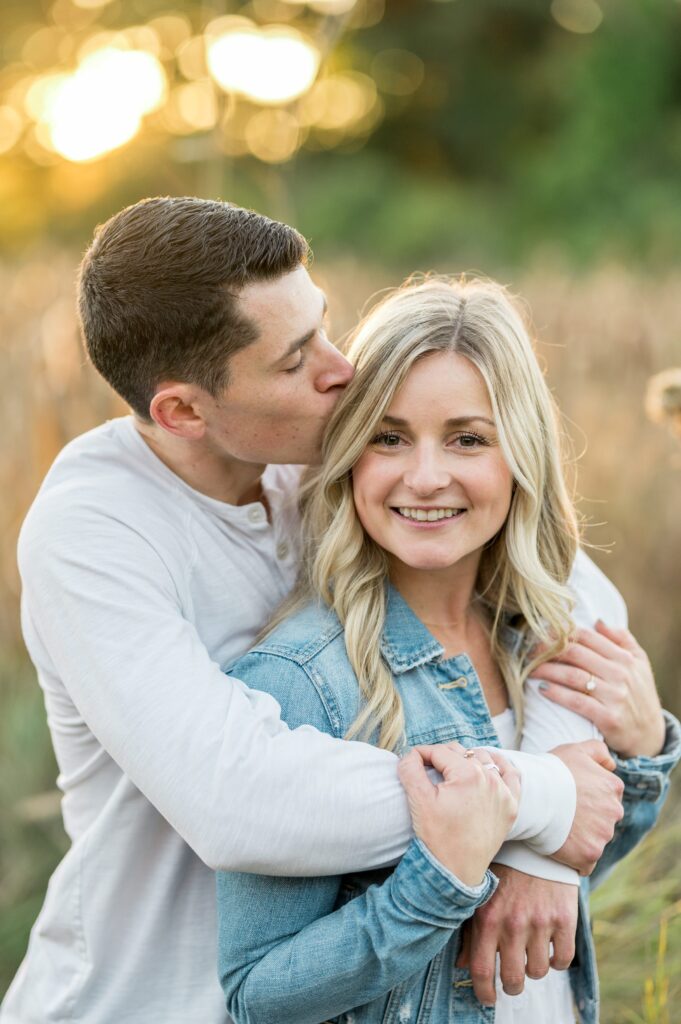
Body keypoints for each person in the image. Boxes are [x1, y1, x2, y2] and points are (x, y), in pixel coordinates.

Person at [0, 198, 639, 1024]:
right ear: (184, 412)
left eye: (325, 326)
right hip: (144, 999)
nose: (343, 370)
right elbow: (235, 800)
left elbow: (559, 575)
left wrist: (543, 854)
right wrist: (534, 799)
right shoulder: (93, 530)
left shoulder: (309, 458)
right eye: (296, 359)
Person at [216, 276, 680, 1024]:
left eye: (466, 438)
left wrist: (642, 748)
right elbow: (258, 996)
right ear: (349, 453)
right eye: (388, 437)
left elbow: (557, 914)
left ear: (517, 456)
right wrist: (443, 878)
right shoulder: (299, 680)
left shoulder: (542, 636)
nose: (425, 477)